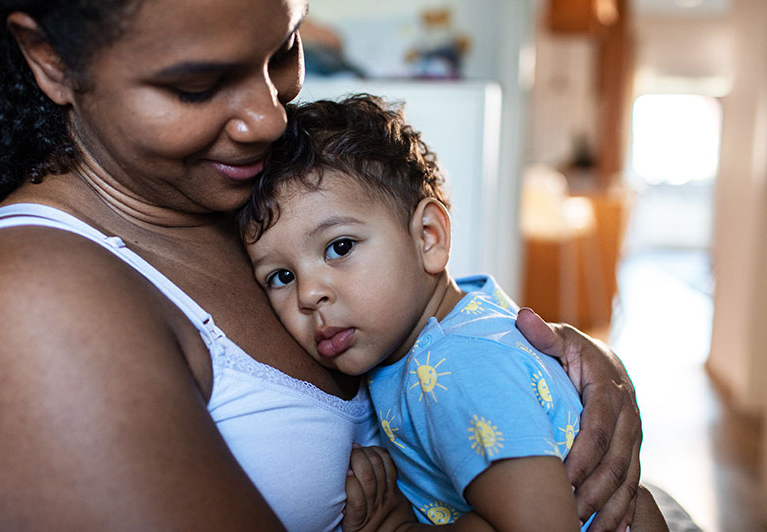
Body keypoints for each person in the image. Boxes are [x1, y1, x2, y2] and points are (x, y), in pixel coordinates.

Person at [0, 1, 642, 530]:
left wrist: (574, 372)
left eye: (284, 48)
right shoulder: (24, 302)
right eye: (199, 85)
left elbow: (428, 321)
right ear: (50, 60)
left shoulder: (242, 203)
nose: (269, 117)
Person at [240, 95, 666, 531]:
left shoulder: (451, 366)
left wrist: (400, 527)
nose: (308, 294)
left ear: (429, 237)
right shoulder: (472, 316)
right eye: (280, 276)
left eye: (340, 247)